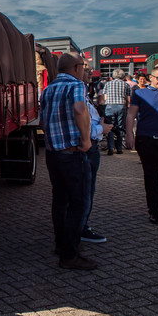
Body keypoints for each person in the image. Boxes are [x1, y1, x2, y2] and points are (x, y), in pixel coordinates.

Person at [40, 52, 95, 270]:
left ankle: (60, 244)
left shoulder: (48, 89)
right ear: (75, 67)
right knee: (80, 203)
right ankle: (70, 254)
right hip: (72, 153)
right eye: (83, 66)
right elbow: (80, 109)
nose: (84, 70)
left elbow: (43, 120)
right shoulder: (76, 85)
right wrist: (86, 140)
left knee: (60, 200)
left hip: (53, 154)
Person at [81, 60, 113, 243]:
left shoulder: (84, 89)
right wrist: (102, 129)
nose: (89, 72)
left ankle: (77, 226)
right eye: (86, 69)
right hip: (86, 147)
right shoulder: (77, 90)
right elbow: (80, 126)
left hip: (86, 146)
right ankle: (81, 228)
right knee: (85, 191)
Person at [125, 66, 158, 224]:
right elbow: (131, 114)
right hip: (147, 139)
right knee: (151, 176)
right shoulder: (140, 93)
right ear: (150, 78)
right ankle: (154, 210)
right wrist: (129, 134)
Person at [103, 69, 131, 155]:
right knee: (120, 127)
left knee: (109, 127)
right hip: (121, 106)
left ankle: (111, 148)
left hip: (110, 105)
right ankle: (119, 148)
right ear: (123, 76)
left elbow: (105, 98)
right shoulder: (126, 85)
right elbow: (128, 99)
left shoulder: (107, 84)